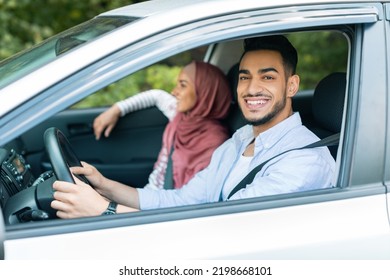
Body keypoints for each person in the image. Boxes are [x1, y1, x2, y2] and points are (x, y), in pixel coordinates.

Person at [51, 35, 335, 218]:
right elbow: (182, 200)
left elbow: (219, 229)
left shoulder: (303, 161)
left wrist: (105, 211)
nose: (252, 89)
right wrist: (106, 186)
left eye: (268, 77)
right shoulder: (240, 139)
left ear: (292, 86)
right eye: (245, 77)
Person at [93, 61, 232, 190]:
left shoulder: (215, 143)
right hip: (149, 192)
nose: (174, 92)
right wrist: (117, 109)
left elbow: (193, 196)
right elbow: (157, 95)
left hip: (165, 208)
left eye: (182, 85)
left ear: (205, 91)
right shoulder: (180, 116)